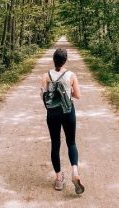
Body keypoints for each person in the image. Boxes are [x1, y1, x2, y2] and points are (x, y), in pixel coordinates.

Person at [40, 48, 85, 194]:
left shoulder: (46, 76)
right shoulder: (71, 75)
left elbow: (44, 96)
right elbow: (78, 95)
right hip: (68, 111)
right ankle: (75, 172)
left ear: (54, 60)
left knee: (55, 143)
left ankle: (59, 179)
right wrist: (68, 91)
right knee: (71, 142)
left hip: (52, 113)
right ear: (65, 60)